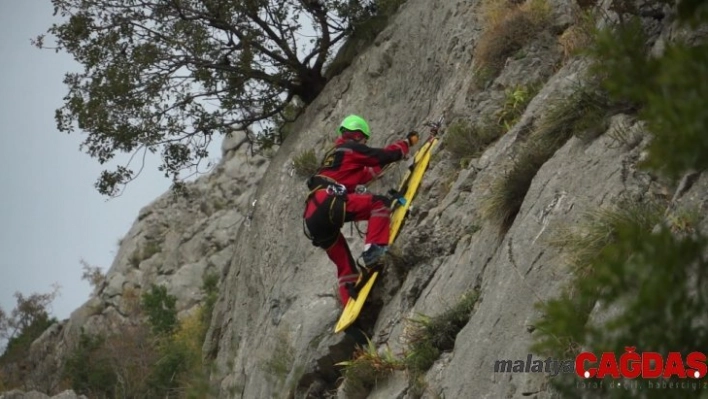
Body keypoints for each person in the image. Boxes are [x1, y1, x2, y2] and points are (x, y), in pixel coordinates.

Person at [303, 114, 419, 306]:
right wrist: (405, 144)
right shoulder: (351, 147)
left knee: (345, 266)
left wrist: (386, 161)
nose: (365, 143)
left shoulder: (334, 158)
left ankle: (349, 304)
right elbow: (379, 156)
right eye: (364, 139)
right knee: (380, 203)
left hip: (312, 217)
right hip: (328, 203)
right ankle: (373, 252)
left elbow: (368, 172)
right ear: (358, 135)